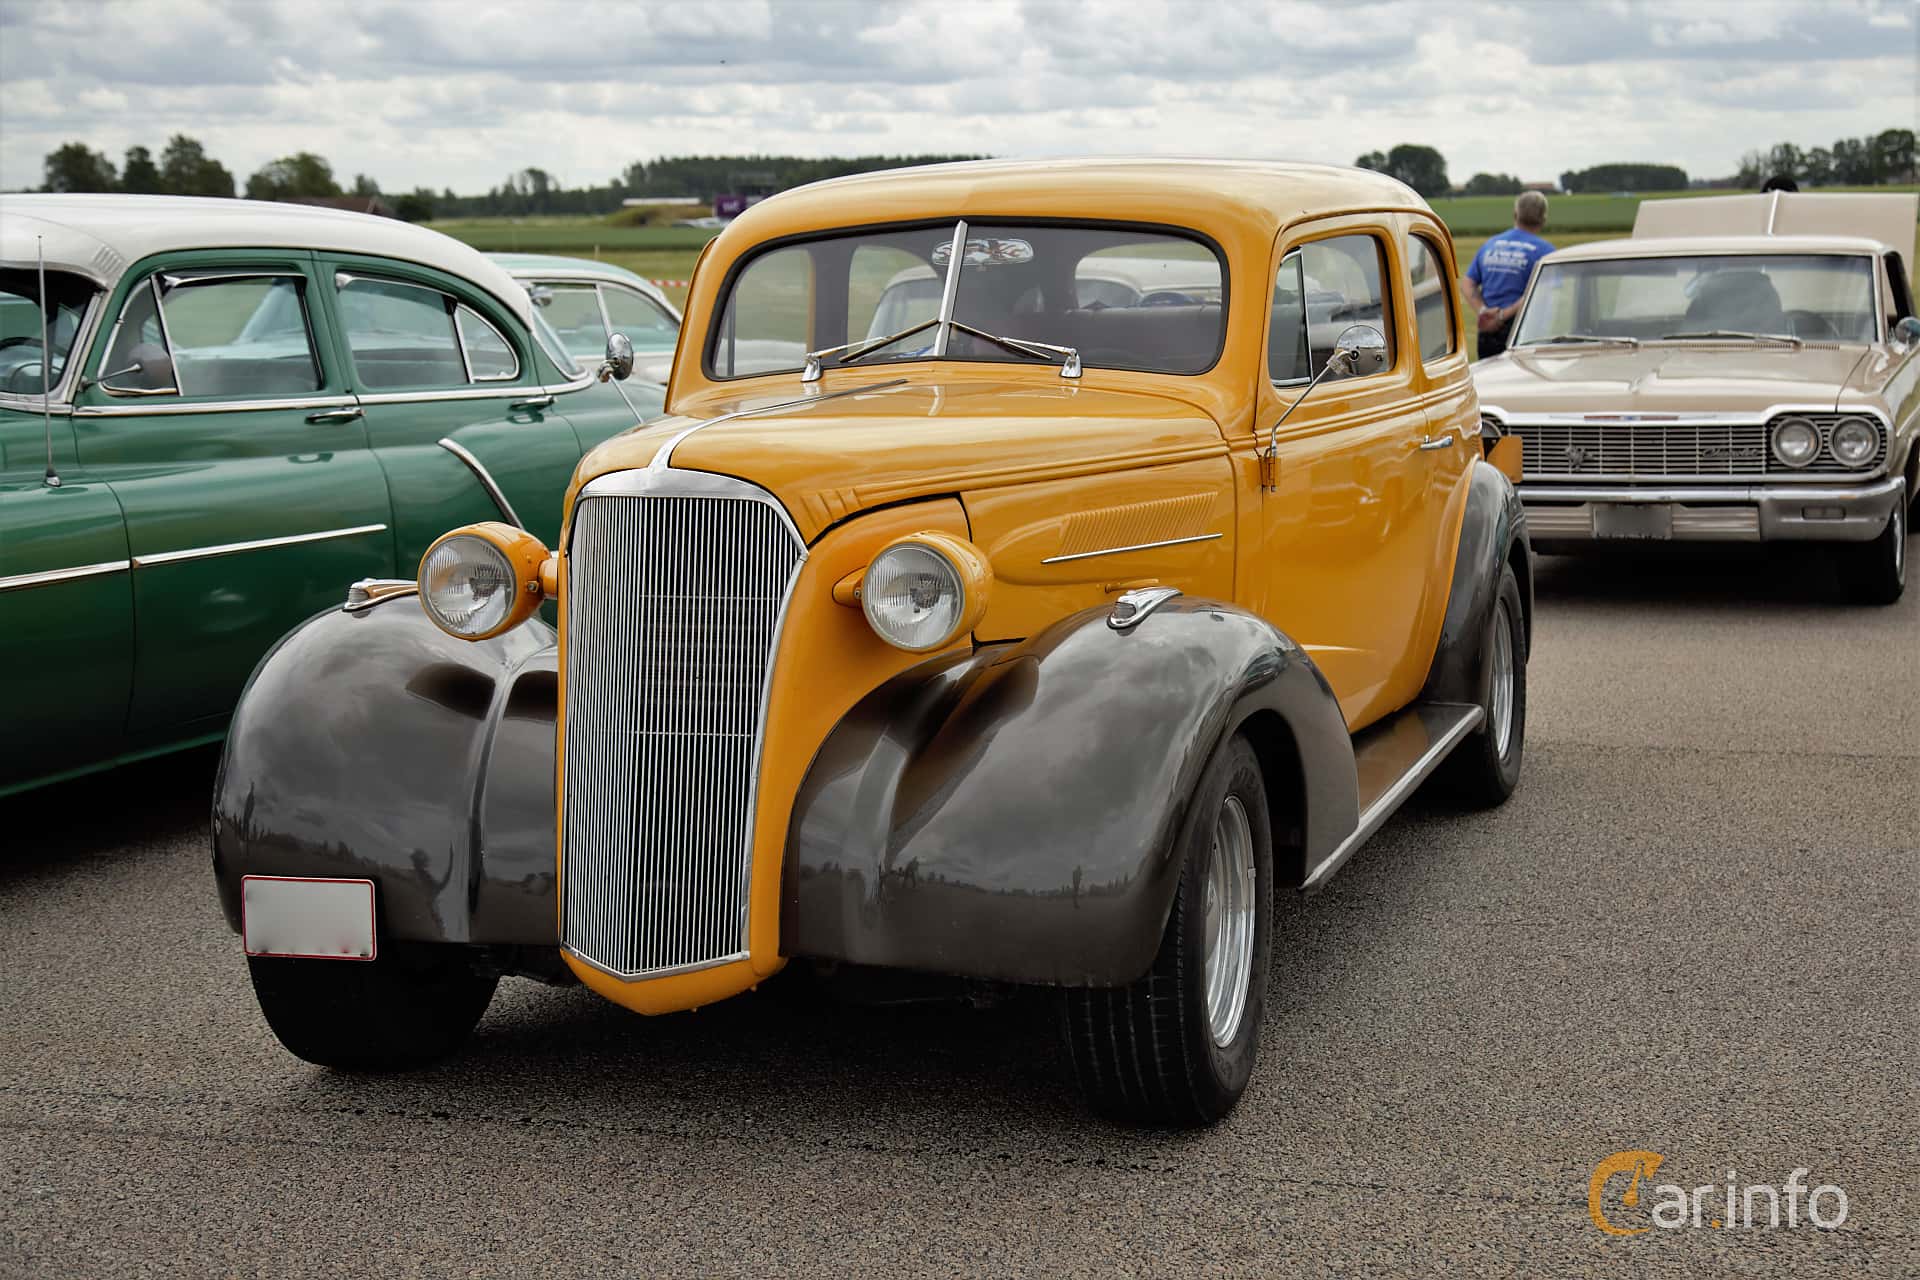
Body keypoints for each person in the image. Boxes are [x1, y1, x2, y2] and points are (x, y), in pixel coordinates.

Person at [1462, 191, 1554, 359]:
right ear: (1543, 219)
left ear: (1515, 214)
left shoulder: (1490, 245)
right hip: (1525, 331)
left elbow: (1468, 283)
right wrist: (1503, 316)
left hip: (1487, 329)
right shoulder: (1545, 251)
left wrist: (1483, 311)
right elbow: (1538, 292)